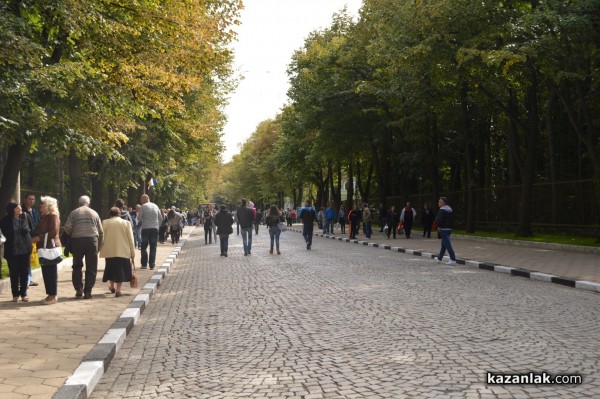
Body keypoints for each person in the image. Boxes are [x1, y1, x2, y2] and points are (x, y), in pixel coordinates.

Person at [63, 195, 104, 299]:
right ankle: (88, 291)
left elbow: (67, 229)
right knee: (91, 267)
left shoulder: (74, 213)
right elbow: (101, 231)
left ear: (78, 203)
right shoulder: (94, 213)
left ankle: (78, 288)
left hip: (77, 241)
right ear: (88, 203)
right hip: (92, 241)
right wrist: (99, 245)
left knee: (77, 265)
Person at [0, 202, 33, 302]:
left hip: (25, 250)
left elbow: (31, 229)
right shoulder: (5, 221)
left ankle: (24, 294)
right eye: (17, 208)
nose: (20, 209)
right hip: (12, 250)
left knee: (24, 271)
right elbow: (3, 233)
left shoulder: (25, 217)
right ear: (12, 209)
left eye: (20, 207)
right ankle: (15, 294)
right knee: (14, 273)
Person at [100, 207, 135, 297]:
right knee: (121, 271)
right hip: (123, 251)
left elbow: (102, 237)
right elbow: (131, 239)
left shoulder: (105, 222)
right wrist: (132, 253)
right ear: (120, 214)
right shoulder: (126, 223)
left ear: (110, 214)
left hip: (109, 251)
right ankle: (118, 290)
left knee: (110, 268)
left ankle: (112, 286)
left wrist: (100, 248)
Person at [32, 196, 61, 304]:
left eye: (42, 204)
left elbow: (53, 232)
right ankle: (50, 294)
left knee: (51, 272)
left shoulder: (53, 216)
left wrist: (39, 237)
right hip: (45, 247)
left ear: (48, 205)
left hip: (50, 247)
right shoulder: (46, 216)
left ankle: (53, 295)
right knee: (46, 271)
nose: (40, 205)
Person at [137, 194, 163, 269]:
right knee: (153, 247)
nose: (141, 201)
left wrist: (142, 222)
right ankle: (152, 265)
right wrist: (157, 226)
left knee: (144, 247)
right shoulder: (156, 206)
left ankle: (144, 264)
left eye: (141, 200)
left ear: (144, 199)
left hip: (145, 229)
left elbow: (139, 218)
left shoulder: (143, 207)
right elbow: (160, 218)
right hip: (154, 229)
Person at [22, 193, 40, 287]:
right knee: (26, 260)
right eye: (30, 199)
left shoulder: (35, 211)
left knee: (32, 259)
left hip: (35, 238)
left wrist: (38, 236)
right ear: (25, 199)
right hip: (26, 239)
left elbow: (38, 224)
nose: (31, 201)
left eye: (33, 199)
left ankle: (30, 278)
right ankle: (26, 280)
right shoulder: (22, 211)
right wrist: (30, 238)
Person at [435, 197, 456, 265]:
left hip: (443, 229)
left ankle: (453, 259)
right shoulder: (450, 209)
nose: (439, 203)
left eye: (440, 202)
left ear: (443, 203)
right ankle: (439, 258)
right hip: (449, 228)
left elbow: (439, 220)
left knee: (447, 244)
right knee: (443, 244)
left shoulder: (442, 209)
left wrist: (436, 222)